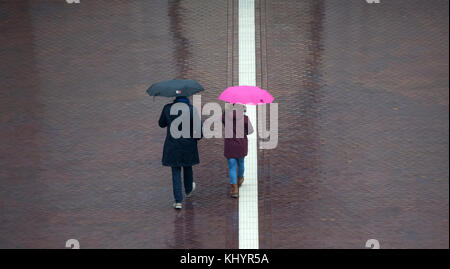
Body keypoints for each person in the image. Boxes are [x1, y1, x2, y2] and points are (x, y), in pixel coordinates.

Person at [159, 95, 202, 209]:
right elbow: (199, 131)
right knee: (188, 167)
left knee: (175, 171)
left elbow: (161, 123)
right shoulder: (192, 109)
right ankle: (188, 190)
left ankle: (178, 201)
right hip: (188, 145)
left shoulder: (167, 108)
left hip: (173, 145)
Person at [222, 104, 254, 198]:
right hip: (241, 144)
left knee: (231, 166)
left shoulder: (225, 118)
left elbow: (222, 118)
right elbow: (250, 131)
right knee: (241, 163)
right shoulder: (244, 118)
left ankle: (234, 189)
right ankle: (240, 179)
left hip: (230, 145)